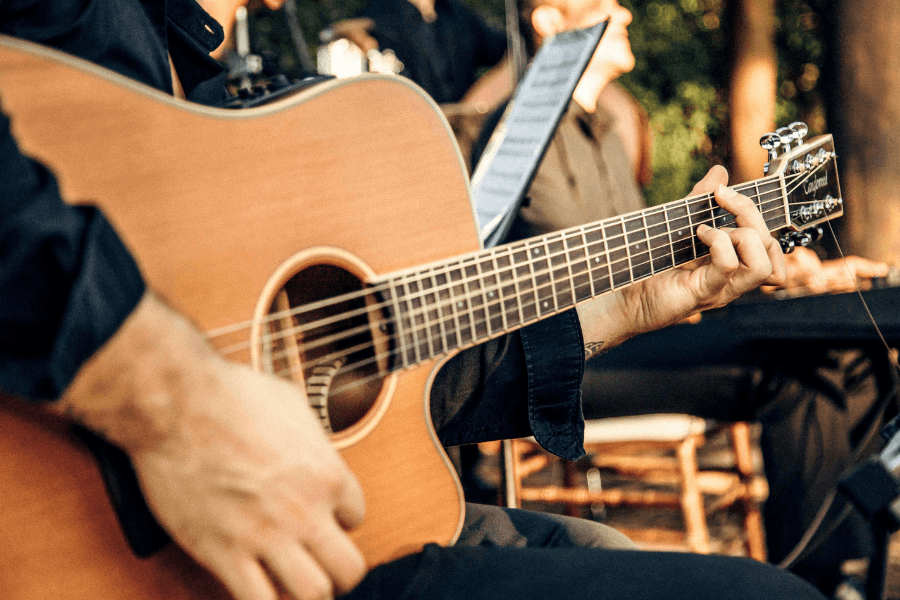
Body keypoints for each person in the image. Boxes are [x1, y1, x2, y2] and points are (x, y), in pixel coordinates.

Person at [1, 2, 834, 600]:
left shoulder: (178, 68)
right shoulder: (69, 28)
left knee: (597, 545)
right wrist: (175, 407)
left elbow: (379, 357)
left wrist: (625, 306)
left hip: (279, 532)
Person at [473, 0, 896, 594]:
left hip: (640, 330)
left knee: (853, 359)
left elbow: (648, 255)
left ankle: (854, 572)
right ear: (547, 22)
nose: (621, 12)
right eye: (600, 4)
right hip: (574, 355)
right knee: (801, 374)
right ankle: (815, 582)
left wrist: (774, 268)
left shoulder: (607, 133)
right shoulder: (520, 137)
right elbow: (589, 271)